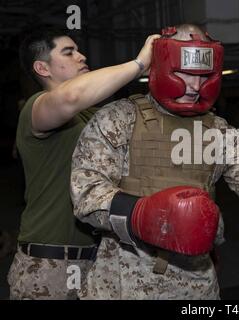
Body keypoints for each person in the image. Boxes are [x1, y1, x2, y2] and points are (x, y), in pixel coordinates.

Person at [70, 24, 239, 299]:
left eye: (205, 77)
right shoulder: (118, 118)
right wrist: (144, 215)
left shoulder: (220, 131)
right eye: (185, 74)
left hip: (196, 286)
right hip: (120, 284)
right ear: (160, 66)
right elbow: (86, 194)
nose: (196, 87)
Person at [8, 28, 159, 300]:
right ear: (42, 68)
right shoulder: (36, 109)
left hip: (99, 262)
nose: (82, 56)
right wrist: (138, 65)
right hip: (49, 265)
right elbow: (69, 98)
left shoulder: (94, 113)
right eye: (69, 52)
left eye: (78, 50)